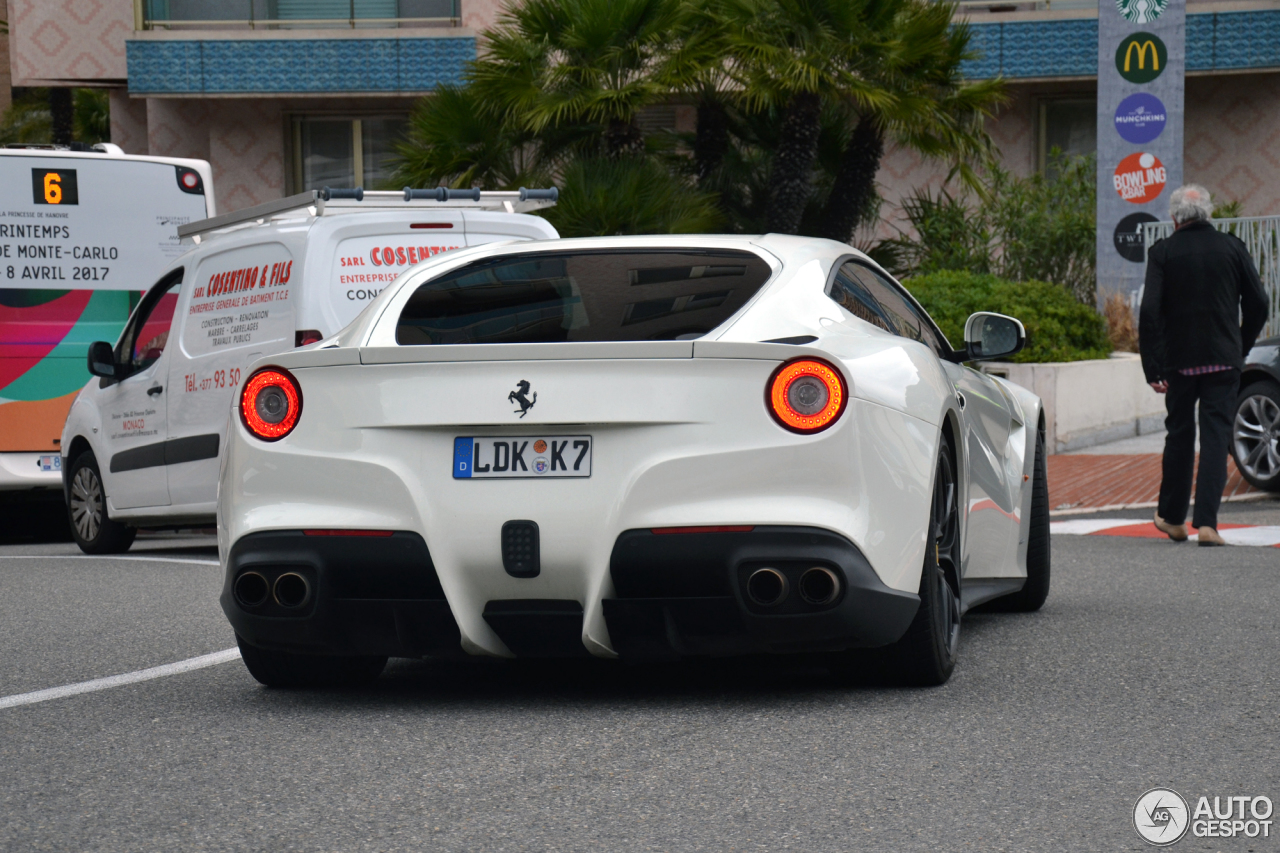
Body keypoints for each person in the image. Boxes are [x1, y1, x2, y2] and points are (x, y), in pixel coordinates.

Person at [1139, 184, 1269, 546]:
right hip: (1223, 361)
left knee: (1179, 434)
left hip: (1180, 363)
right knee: (1215, 437)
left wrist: (1154, 366)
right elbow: (1259, 302)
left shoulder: (1163, 252)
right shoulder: (1232, 247)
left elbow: (1149, 312)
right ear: (1208, 214)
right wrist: (1239, 347)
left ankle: (1173, 519)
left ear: (1174, 217)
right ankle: (1208, 525)